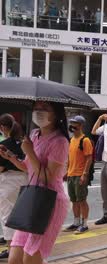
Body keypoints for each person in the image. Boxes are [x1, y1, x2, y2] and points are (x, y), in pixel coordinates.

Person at [4, 102, 69, 264]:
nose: (38, 112)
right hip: (32, 199)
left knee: (30, 258)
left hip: (49, 202)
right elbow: (28, 168)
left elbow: (47, 177)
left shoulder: (60, 142)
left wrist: (30, 152)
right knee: (14, 259)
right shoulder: (33, 134)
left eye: (44, 109)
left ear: (56, 114)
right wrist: (11, 157)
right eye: (36, 108)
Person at [0, 114, 27, 259]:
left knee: (7, 216)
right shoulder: (24, 142)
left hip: (8, 182)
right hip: (25, 180)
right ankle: (22, 248)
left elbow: (1, 168)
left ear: (3, 127)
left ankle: (12, 250)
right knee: (21, 215)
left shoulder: (5, 144)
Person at [64, 116, 92, 235]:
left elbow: (89, 158)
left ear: (80, 125)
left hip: (80, 174)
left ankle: (84, 224)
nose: (72, 126)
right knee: (74, 200)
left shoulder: (85, 140)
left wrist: (84, 174)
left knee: (82, 200)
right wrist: (66, 171)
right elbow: (70, 158)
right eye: (71, 123)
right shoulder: (71, 140)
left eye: (74, 124)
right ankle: (76, 222)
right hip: (71, 174)